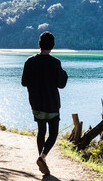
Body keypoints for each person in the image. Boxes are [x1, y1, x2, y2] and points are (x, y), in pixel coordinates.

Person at [21, 31, 68, 176]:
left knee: (41, 131)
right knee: (53, 133)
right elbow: (61, 84)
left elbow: (24, 82)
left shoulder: (30, 61)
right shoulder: (55, 63)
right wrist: (64, 74)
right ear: (52, 45)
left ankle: (43, 160)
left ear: (39, 44)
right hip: (52, 104)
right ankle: (42, 157)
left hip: (36, 104)